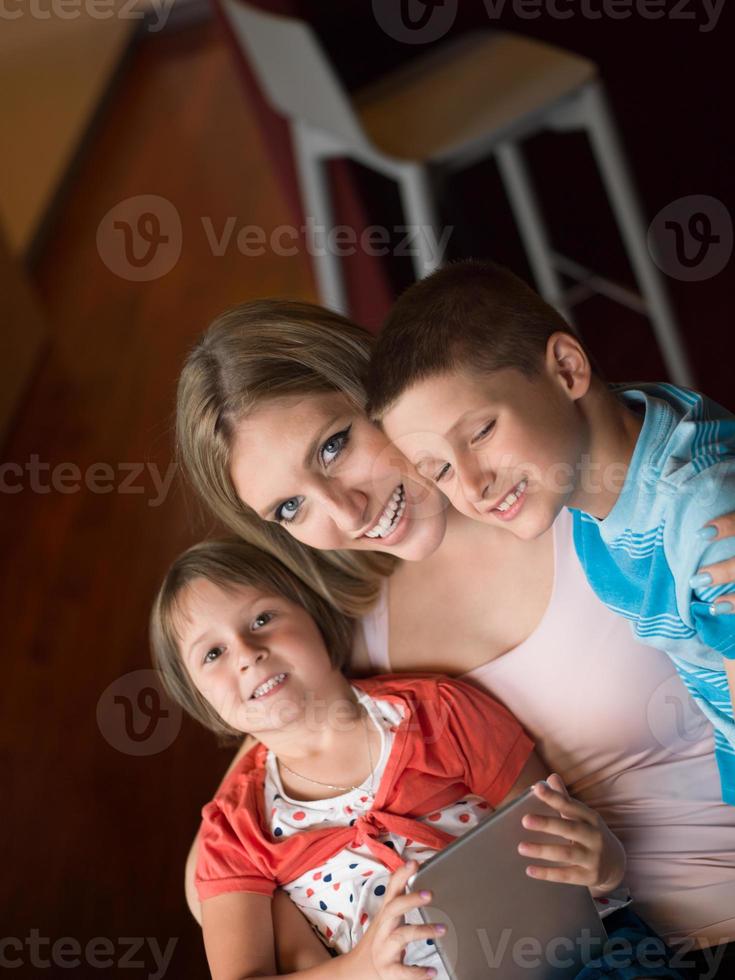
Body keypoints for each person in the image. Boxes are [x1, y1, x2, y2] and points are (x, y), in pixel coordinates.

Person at [175, 299, 735, 975]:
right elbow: (211, 867)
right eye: (290, 507)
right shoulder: (341, 622)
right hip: (562, 954)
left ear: (383, 388)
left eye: (335, 445)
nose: (346, 512)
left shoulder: (571, 480)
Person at [151, 538, 676, 980]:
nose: (246, 652)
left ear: (315, 618)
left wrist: (603, 863)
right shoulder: (234, 831)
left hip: (567, 961)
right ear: (200, 700)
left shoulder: (436, 712)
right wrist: (360, 968)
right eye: (213, 654)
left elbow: (555, 831)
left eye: (263, 618)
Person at [365, 260, 735, 807]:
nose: (473, 485)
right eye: (439, 469)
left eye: (482, 431)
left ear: (566, 369)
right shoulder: (623, 439)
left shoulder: (703, 526)